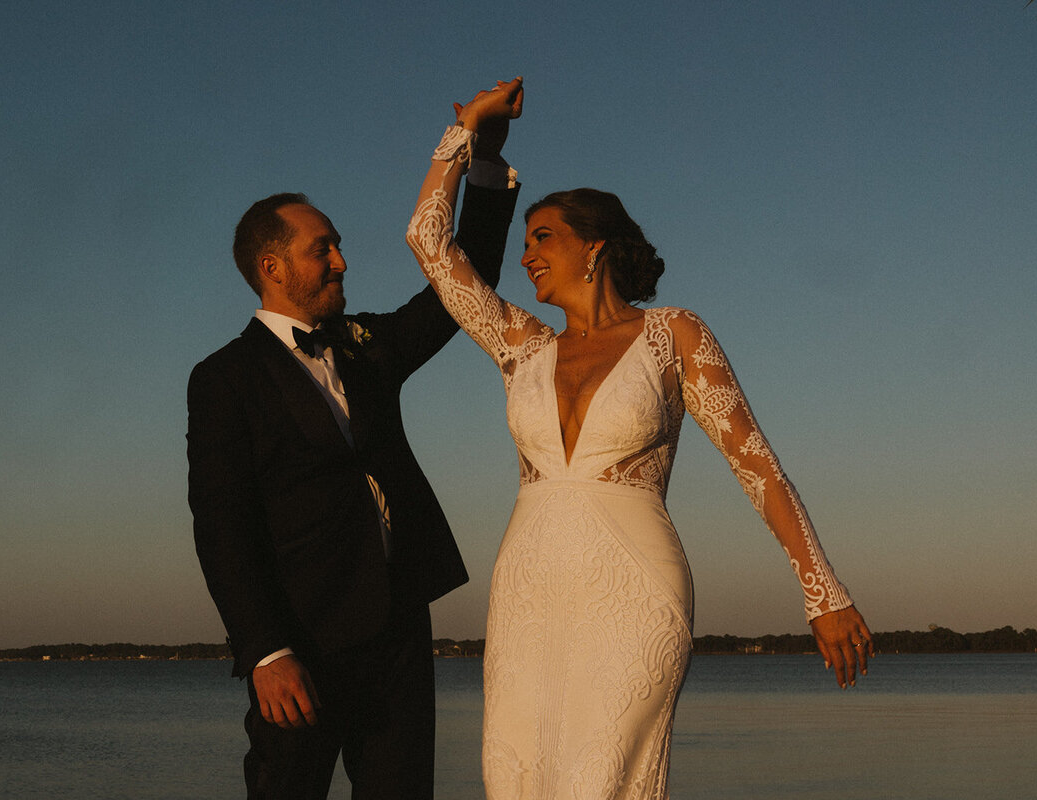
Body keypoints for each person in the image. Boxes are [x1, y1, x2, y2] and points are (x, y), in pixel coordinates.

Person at [406, 78, 875, 800]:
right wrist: (469, 133)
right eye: (527, 240)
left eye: (543, 238)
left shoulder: (675, 334)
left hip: (633, 586)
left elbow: (758, 468)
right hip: (527, 588)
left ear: (593, 247)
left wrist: (823, 591)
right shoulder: (521, 347)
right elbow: (428, 244)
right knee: (512, 777)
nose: (527, 255)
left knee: (604, 777)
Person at [187, 118, 520, 799]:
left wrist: (481, 163)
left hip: (399, 632)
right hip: (301, 644)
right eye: (323, 249)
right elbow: (222, 524)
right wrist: (265, 650)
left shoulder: (370, 345)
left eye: (337, 245)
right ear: (271, 267)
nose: (342, 260)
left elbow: (467, 288)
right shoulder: (225, 378)